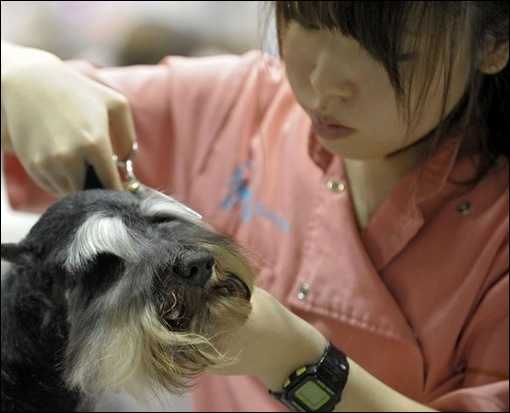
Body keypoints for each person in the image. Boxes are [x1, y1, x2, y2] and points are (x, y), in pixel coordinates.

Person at [1, 1, 508, 412]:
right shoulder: (235, 109)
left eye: (393, 52)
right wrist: (20, 73)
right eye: (307, 23)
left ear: (496, 41)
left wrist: (295, 358)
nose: (324, 82)